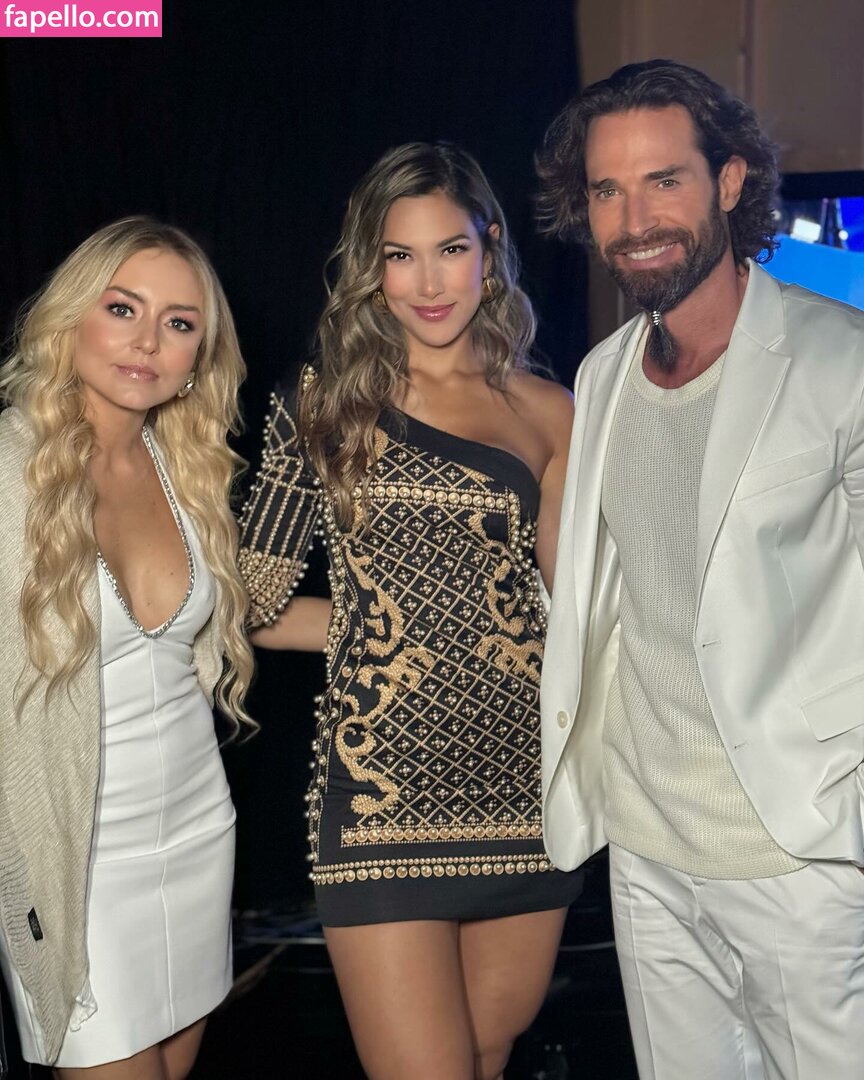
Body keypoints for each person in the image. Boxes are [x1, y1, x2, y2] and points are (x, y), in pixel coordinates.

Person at [535, 58, 864, 1080]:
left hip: (797, 850)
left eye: (664, 181)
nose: (634, 220)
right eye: (607, 190)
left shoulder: (841, 360)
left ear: (728, 180)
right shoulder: (602, 374)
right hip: (646, 846)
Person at [239, 141, 581, 1080]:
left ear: (490, 250)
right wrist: (382, 627)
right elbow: (249, 604)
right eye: (400, 256)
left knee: (487, 1055)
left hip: (526, 786)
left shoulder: (552, 410)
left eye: (451, 250)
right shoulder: (322, 404)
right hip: (379, 792)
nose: (429, 283)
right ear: (371, 268)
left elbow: (574, 607)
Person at [0, 217, 254, 1078]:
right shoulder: (9, 471)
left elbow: (225, 626)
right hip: (76, 861)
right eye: (122, 308)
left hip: (198, 832)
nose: (148, 341)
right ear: (71, 317)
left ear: (198, 357)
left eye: (179, 323)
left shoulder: (187, 468)